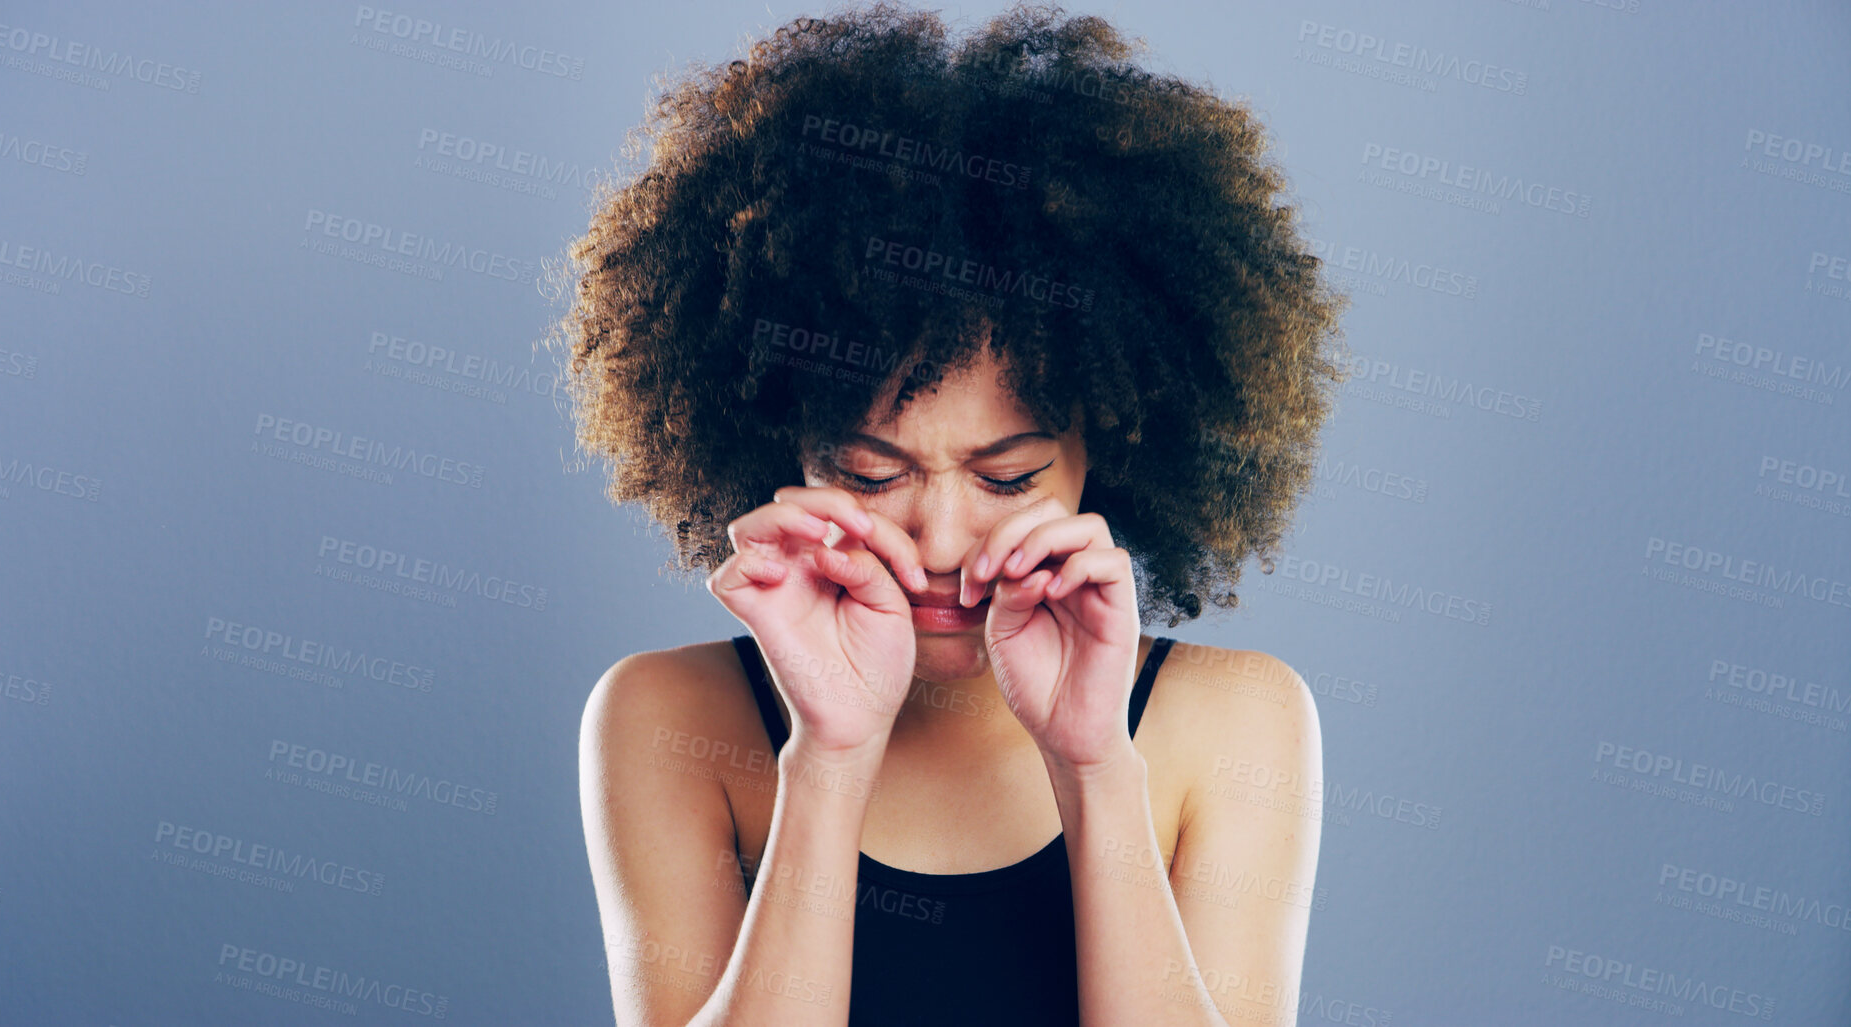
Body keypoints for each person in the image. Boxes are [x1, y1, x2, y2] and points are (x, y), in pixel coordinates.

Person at [560, 2, 1351, 1023]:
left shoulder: (1238, 720)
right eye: (869, 472)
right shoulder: (668, 718)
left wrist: (1094, 765)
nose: (938, 542)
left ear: (1110, 453)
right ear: (781, 451)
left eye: (1008, 478)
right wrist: (829, 757)